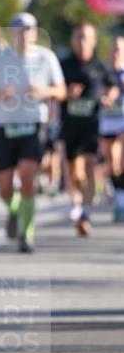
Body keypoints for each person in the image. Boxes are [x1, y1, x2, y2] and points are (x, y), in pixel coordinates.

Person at [0, 12, 66, 253]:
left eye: (29, 29)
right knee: (5, 187)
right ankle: (16, 212)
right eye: (20, 29)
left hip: (32, 125)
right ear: (13, 33)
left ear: (35, 33)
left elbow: (61, 90)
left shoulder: (46, 58)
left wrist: (44, 92)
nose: (24, 34)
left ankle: (27, 234)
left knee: (28, 177)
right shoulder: (1, 57)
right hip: (4, 126)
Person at [59, 23, 119, 236]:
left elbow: (113, 86)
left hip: (91, 126)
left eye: (86, 37)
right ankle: (79, 199)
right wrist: (66, 92)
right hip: (70, 125)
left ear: (93, 41)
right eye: (78, 37)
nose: (82, 41)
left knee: (91, 167)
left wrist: (108, 97)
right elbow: (54, 89)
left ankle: (85, 212)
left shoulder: (99, 66)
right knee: (75, 173)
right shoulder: (64, 65)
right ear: (73, 40)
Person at [99, 36, 124, 222]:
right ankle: (118, 198)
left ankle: (121, 201)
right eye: (114, 49)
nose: (116, 52)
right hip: (107, 122)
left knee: (121, 160)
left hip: (122, 121)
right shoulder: (103, 73)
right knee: (112, 164)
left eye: (120, 49)